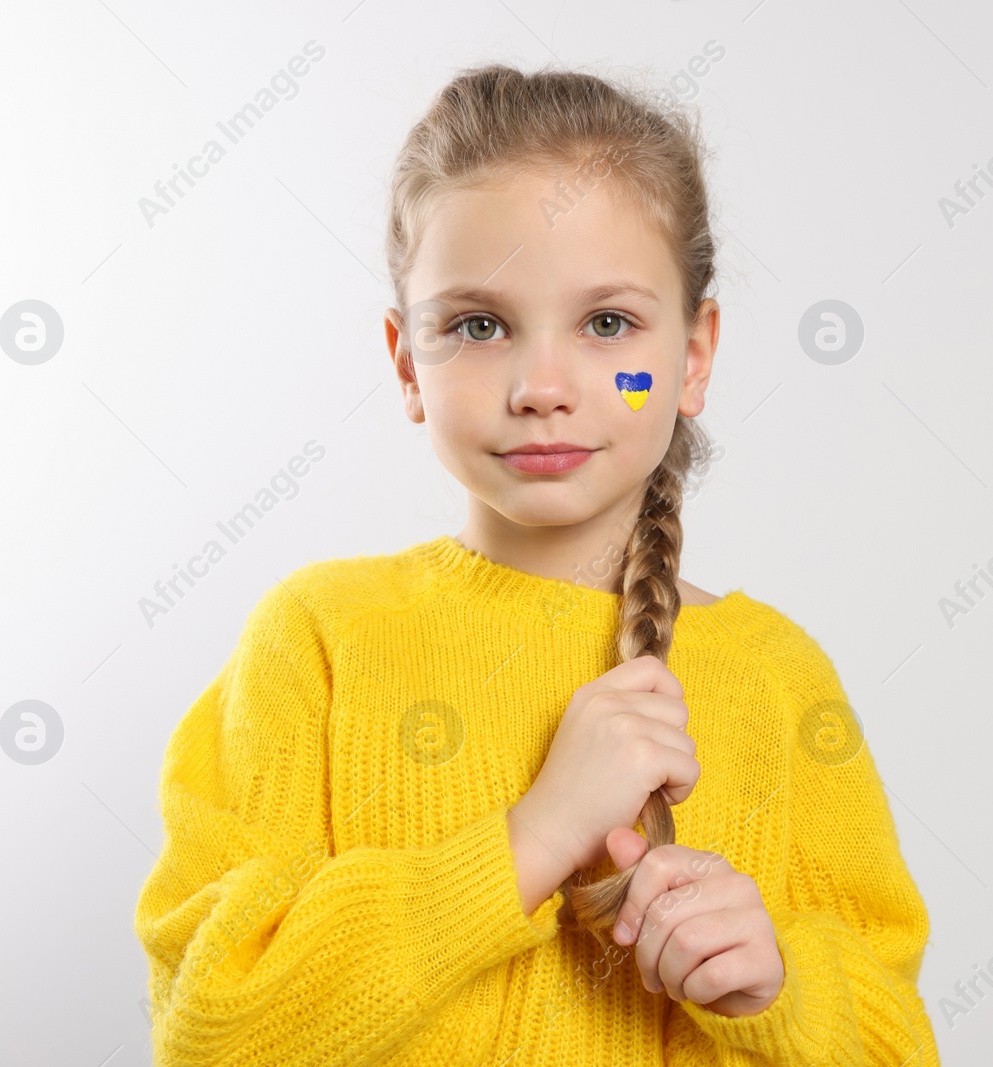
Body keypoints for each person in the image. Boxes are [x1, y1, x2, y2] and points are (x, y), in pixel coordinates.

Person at [134, 62, 941, 1066]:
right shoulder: (317, 639)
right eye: (478, 324)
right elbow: (209, 1028)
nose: (541, 385)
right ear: (405, 362)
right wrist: (529, 839)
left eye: (607, 324)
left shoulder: (777, 678)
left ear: (693, 357)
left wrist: (776, 987)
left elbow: (896, 1045)